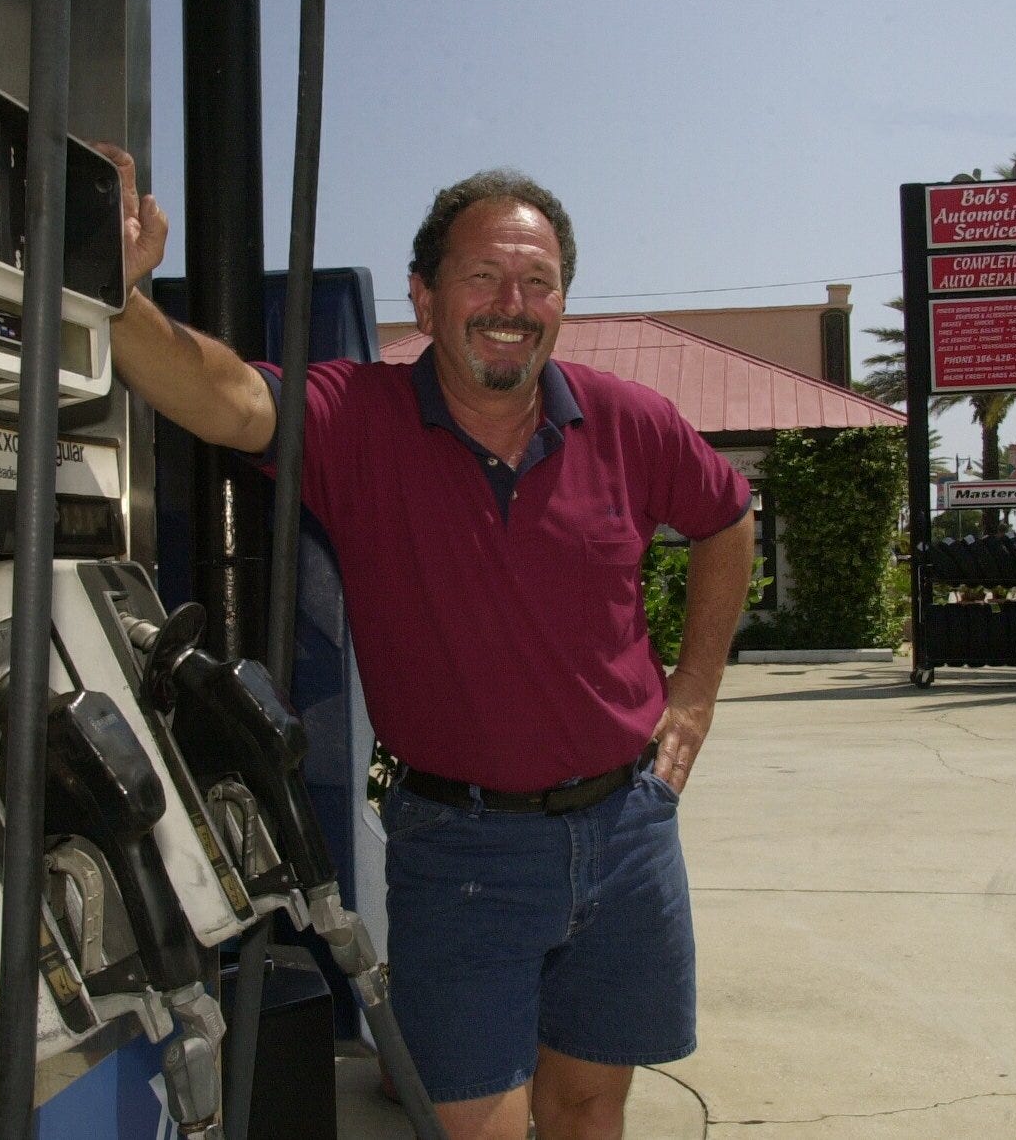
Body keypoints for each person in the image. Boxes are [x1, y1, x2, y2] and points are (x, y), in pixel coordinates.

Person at [102, 145, 756, 1140]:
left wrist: (694, 689)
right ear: (423, 294)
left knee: (589, 1108)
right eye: (482, 274)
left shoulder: (626, 420)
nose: (512, 300)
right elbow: (225, 396)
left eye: (538, 281)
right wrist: (118, 297)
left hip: (625, 831)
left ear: (562, 303)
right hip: (462, 848)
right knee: (479, 1125)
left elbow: (727, 516)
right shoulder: (355, 416)